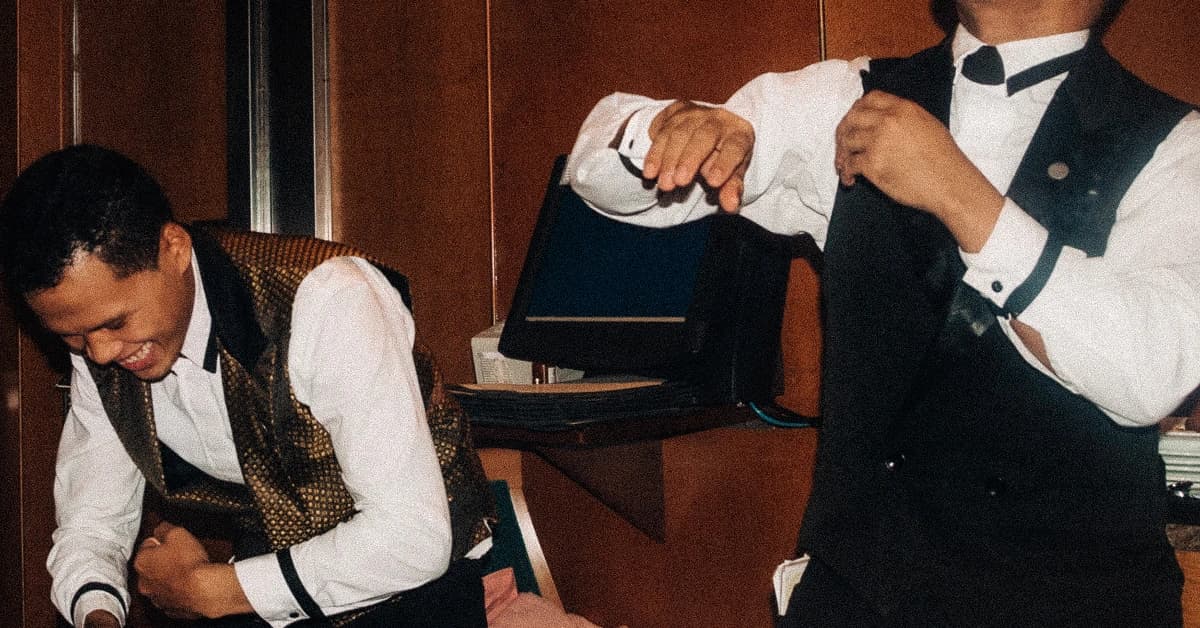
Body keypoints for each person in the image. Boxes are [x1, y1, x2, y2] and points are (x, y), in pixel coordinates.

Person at [567, 0, 1200, 625]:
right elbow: (600, 174)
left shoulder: (1178, 143)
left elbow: (1152, 371)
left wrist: (959, 195)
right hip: (857, 599)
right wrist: (669, 129)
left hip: (1075, 607)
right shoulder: (850, 96)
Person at [0, 145, 495, 627]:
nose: (100, 353)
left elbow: (412, 537)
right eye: (71, 336)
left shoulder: (329, 299)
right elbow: (91, 524)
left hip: (416, 593)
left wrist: (212, 591)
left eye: (115, 322)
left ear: (174, 249)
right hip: (268, 588)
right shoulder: (99, 342)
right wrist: (99, 614)